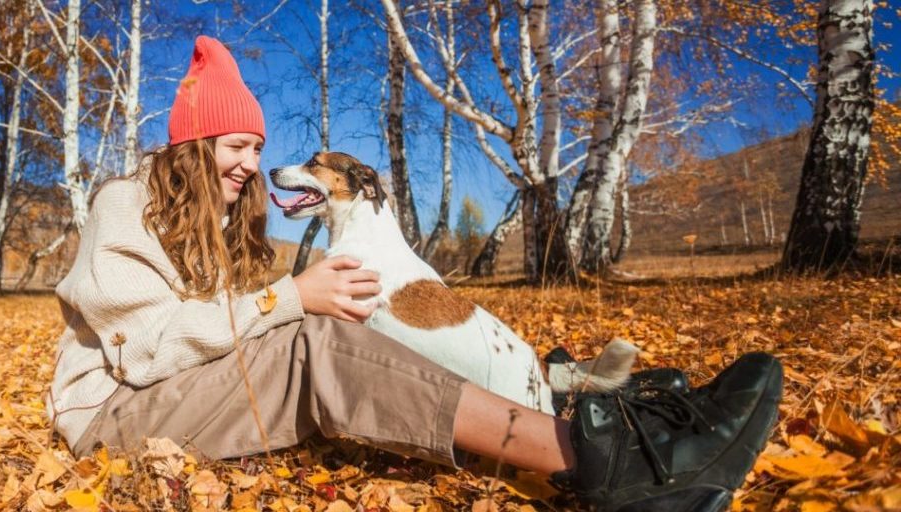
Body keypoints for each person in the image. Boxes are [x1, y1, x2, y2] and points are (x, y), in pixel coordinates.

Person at [46, 35, 782, 511]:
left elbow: (235, 332)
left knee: (318, 324)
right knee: (314, 337)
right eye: (235, 144)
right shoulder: (124, 206)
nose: (250, 165)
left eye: (255, 146)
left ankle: (598, 410)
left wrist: (291, 301)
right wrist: (287, 296)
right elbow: (144, 354)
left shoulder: (213, 227)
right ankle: (604, 461)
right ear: (190, 144)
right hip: (115, 419)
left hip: (182, 397)